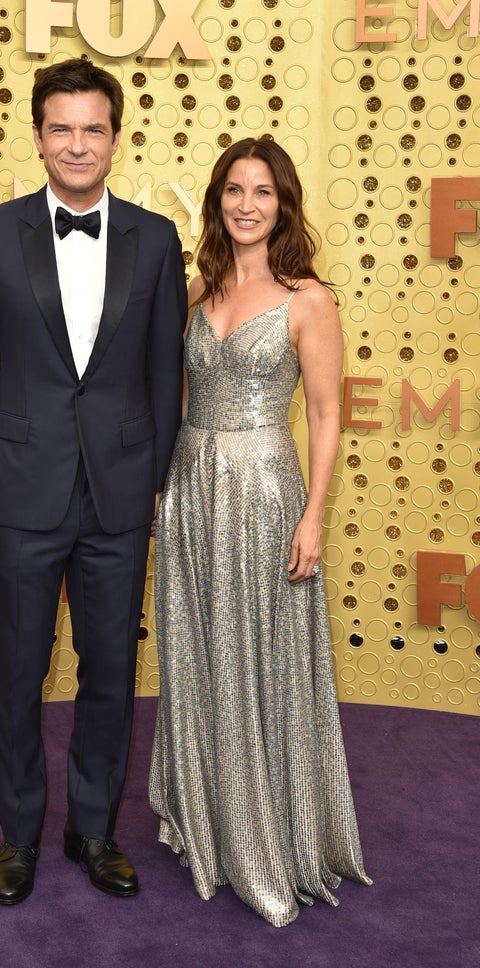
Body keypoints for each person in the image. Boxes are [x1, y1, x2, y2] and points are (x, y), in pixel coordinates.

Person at [0, 57, 186, 905]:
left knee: (109, 671)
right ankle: (18, 834)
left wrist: (158, 480)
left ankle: (94, 828)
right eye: (62, 128)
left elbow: (162, 375)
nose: (78, 144)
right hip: (20, 490)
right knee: (16, 672)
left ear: (116, 138)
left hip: (119, 496)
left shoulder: (155, 237)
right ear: (38, 137)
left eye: (93, 129)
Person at [149, 137, 371, 927]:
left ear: (284, 205)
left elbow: (323, 413)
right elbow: (172, 394)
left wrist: (313, 514)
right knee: (200, 648)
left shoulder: (309, 298)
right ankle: (206, 811)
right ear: (216, 199)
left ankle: (270, 830)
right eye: (235, 190)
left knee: (261, 656)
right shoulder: (193, 287)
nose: (247, 204)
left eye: (264, 192)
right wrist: (158, 488)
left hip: (264, 492)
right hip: (191, 488)